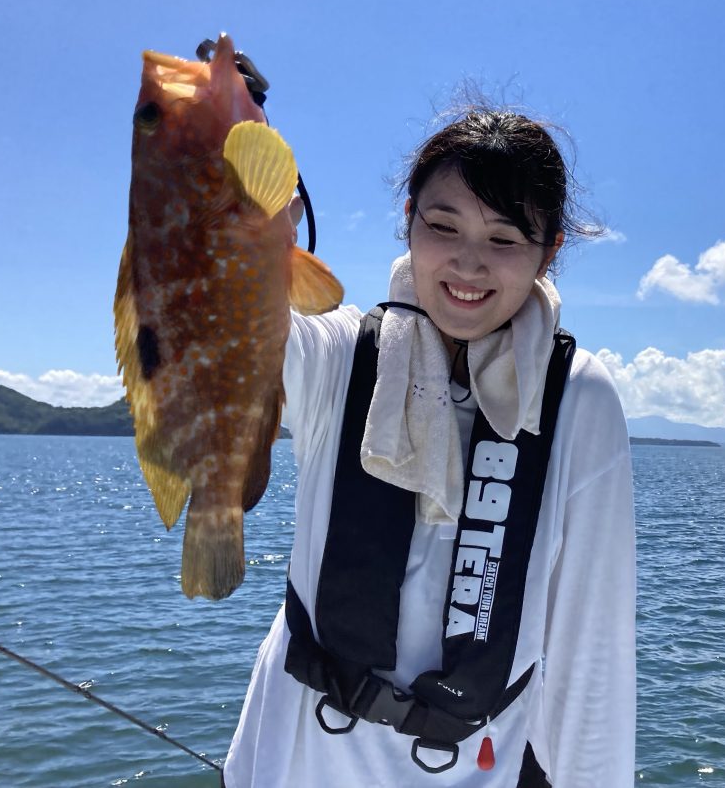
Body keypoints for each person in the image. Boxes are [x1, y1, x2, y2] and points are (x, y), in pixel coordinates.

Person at [224, 108, 636, 787]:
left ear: (549, 251)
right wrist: (232, 183)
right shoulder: (341, 354)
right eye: (443, 226)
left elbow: (593, 654)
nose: (469, 263)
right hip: (290, 756)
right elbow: (239, 337)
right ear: (409, 218)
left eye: (505, 238)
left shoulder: (576, 399)